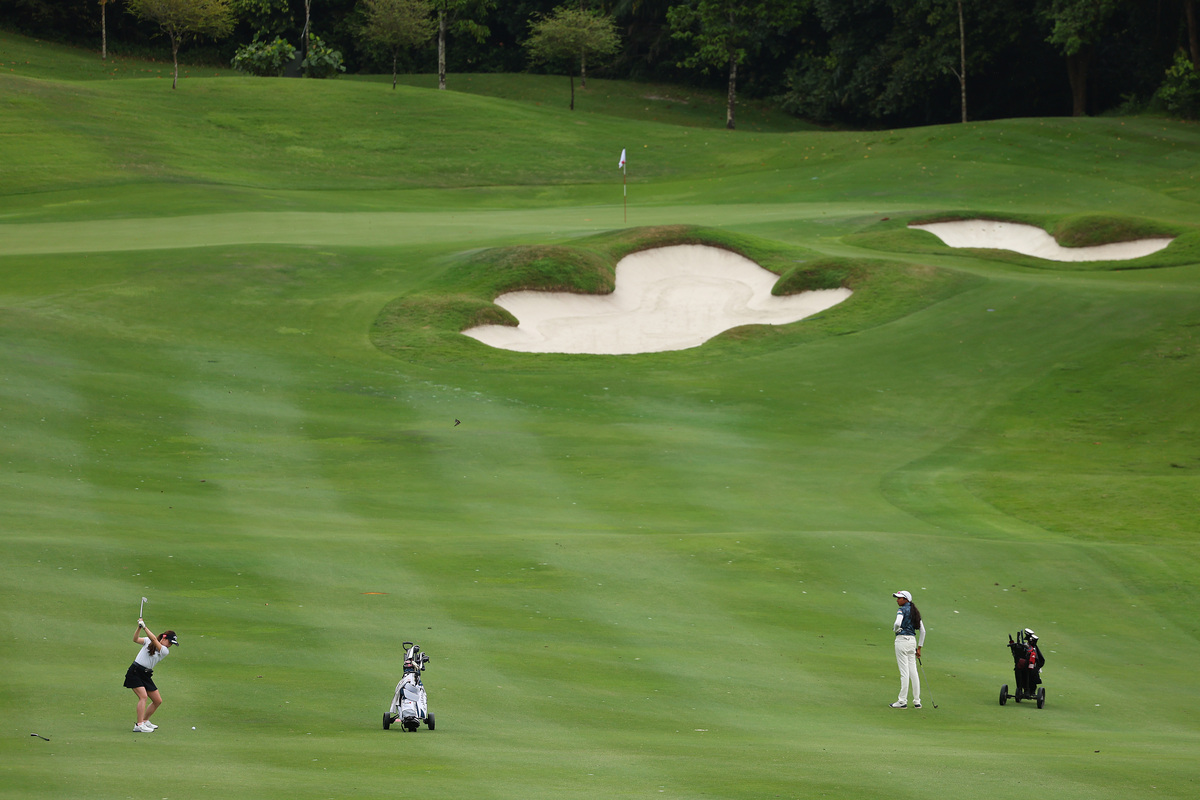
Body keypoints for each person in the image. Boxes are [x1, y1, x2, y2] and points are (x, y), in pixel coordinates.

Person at [123, 618, 178, 732]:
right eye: (170, 642)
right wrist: (139, 628)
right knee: (143, 697)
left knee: (157, 700)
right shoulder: (148, 641)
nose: (170, 646)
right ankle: (138, 725)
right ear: (164, 637)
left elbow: (153, 639)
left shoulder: (164, 650)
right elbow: (135, 639)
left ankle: (144, 720)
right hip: (135, 672)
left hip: (146, 675)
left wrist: (144, 627)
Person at [890, 591, 926, 709]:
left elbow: (897, 623)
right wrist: (919, 648)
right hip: (912, 642)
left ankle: (902, 701)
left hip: (902, 641)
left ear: (905, 599)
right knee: (913, 672)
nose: (897, 600)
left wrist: (896, 629)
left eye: (899, 598)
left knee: (904, 673)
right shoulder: (915, 611)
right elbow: (923, 631)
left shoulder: (902, 610)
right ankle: (917, 701)